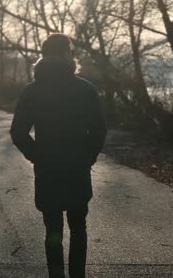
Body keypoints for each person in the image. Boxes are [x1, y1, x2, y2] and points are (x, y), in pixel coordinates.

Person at [10, 33, 107, 278]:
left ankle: (56, 275)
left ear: (43, 55)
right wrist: (89, 156)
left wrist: (36, 155)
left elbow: (18, 132)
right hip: (77, 167)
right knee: (78, 226)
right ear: (67, 55)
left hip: (47, 169)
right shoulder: (86, 90)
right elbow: (98, 130)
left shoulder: (32, 91)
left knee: (52, 227)